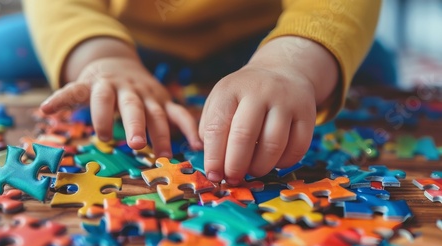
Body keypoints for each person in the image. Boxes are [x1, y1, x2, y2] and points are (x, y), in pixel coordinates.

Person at [23, 0, 381, 185]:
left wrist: (292, 62)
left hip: (278, 34)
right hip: (122, 36)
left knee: (379, 72)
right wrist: (100, 56)